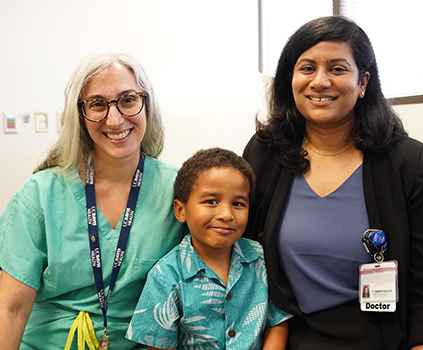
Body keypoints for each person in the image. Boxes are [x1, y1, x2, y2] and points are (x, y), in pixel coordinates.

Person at [243, 15, 423, 349]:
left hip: (378, 339)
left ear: (363, 80)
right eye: (307, 68)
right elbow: (243, 262)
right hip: (281, 337)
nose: (320, 81)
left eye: (337, 69)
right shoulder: (264, 154)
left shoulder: (409, 163)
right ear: (290, 79)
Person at [0, 51, 187, 349]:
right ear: (79, 115)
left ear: (146, 105)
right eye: (98, 105)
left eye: (128, 100)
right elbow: (11, 309)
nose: (115, 119)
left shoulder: (180, 190)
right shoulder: (40, 195)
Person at [126, 148, 292, 349]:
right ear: (181, 210)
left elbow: (278, 322)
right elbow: (159, 344)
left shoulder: (261, 259)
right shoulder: (165, 275)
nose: (226, 214)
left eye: (238, 203)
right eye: (211, 201)